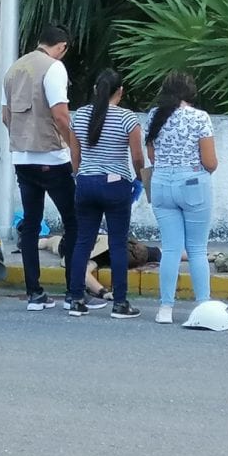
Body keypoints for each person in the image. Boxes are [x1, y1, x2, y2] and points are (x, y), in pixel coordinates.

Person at [2, 24, 106, 312]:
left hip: (22, 159)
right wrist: (74, 147)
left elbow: (5, 116)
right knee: (75, 223)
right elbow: (61, 115)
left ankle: (35, 294)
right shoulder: (54, 68)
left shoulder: (13, 69)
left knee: (31, 227)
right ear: (61, 47)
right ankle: (75, 293)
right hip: (52, 158)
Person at [67, 68, 145, 318]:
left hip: (86, 183)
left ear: (94, 90)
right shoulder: (127, 119)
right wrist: (140, 180)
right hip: (116, 185)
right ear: (120, 92)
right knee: (118, 243)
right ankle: (120, 303)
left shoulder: (79, 116)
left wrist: (80, 177)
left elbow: (75, 156)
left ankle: (76, 298)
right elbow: (136, 157)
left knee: (83, 242)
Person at [145, 72, 217, 324]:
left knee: (171, 249)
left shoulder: (154, 116)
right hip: (193, 184)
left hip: (162, 184)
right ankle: (203, 306)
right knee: (197, 250)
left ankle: (165, 308)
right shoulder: (199, 118)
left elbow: (152, 157)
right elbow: (210, 162)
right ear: (190, 93)